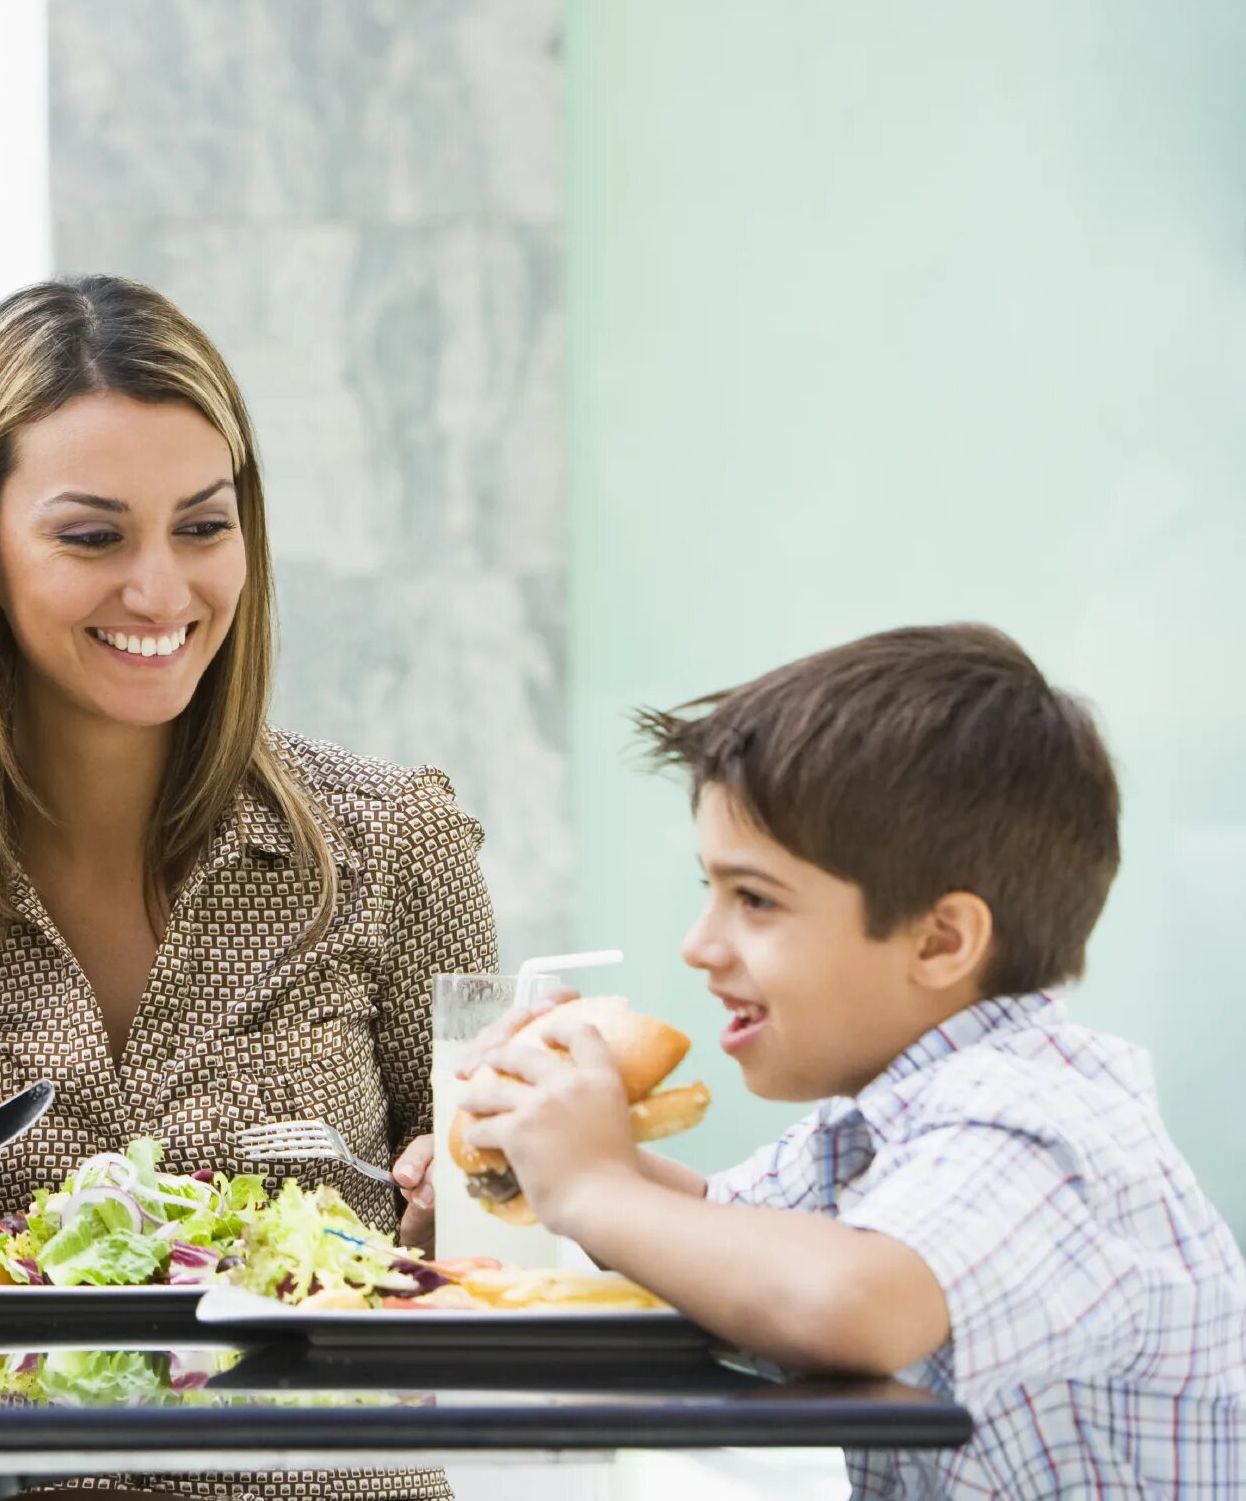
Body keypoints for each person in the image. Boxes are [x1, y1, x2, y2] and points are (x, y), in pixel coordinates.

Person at [0, 274, 500, 1501]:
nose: (161, 591)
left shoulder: (398, 843)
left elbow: (494, 1224)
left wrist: (471, 1197)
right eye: (93, 536)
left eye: (203, 526)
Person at [455, 624, 1244, 1499]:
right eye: (708, 889)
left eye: (754, 899)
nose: (698, 945)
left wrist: (593, 1186)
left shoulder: (1038, 1119)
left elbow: (848, 1307)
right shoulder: (882, 1116)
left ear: (941, 941)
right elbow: (721, 1230)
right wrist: (552, 1135)